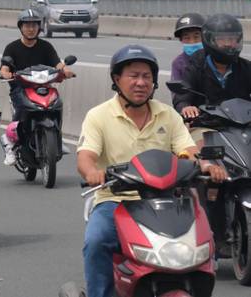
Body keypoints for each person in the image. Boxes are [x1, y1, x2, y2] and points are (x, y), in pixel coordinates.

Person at [76, 44, 227, 297]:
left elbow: (188, 150)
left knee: (204, 241)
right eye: (133, 75)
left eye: (147, 77)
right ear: (117, 79)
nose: (140, 83)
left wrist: (208, 166)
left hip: (169, 201)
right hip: (117, 201)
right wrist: (92, 172)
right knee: (97, 242)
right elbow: (86, 157)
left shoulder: (167, 115)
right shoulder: (98, 116)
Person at [0, 9, 74, 166]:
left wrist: (65, 70)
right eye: (27, 25)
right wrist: (6, 73)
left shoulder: (46, 46)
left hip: (43, 87)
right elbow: (4, 67)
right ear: (21, 27)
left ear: (39, 28)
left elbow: (57, 63)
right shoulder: (12, 47)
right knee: (20, 110)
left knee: (57, 104)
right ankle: (10, 143)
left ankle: (56, 138)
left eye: (34, 25)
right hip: (20, 88)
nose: (31, 29)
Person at [173, 14, 251, 146]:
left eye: (232, 39)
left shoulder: (246, 67)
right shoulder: (195, 66)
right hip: (206, 126)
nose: (228, 44)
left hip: (242, 126)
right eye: (222, 39)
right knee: (201, 155)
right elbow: (182, 94)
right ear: (209, 40)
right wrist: (186, 107)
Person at [170, 13, 205, 82]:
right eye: (187, 38)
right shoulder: (178, 63)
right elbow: (177, 91)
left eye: (196, 37)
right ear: (181, 40)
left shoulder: (212, 58)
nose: (192, 42)